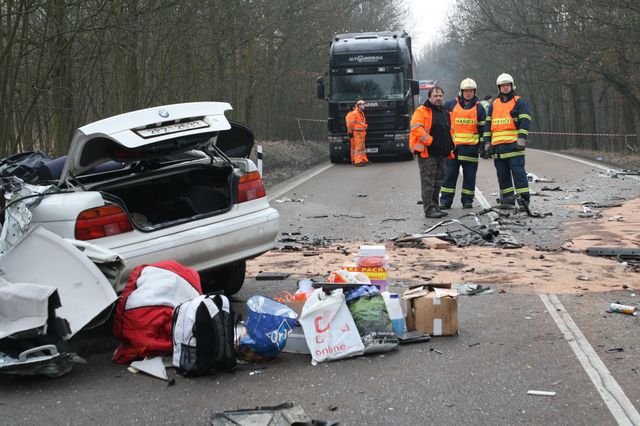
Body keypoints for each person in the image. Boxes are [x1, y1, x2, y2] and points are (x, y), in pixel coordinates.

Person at [482, 73, 532, 208]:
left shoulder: (519, 102)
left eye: (507, 85)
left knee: (519, 175)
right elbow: (488, 125)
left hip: (514, 147)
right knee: (503, 177)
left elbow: (525, 121)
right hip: (498, 149)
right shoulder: (494, 105)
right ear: (499, 87)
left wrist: (521, 139)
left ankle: (524, 202)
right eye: (503, 85)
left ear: (512, 86)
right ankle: (508, 201)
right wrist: (487, 143)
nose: (505, 88)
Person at [439, 78, 486, 209]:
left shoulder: (479, 108)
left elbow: (483, 129)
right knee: (449, 176)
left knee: (470, 178)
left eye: (471, 91)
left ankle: (467, 201)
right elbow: (442, 124)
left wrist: (483, 147)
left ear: (474, 92)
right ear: (461, 91)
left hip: (471, 149)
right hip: (452, 150)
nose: (468, 93)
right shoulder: (450, 105)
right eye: (466, 91)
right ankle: (445, 201)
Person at [409, 85, 455, 218]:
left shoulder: (445, 112)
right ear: (429, 97)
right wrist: (430, 141)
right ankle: (429, 209)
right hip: (427, 153)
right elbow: (416, 128)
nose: (438, 98)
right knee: (428, 182)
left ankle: (435, 206)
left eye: (440, 95)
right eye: (435, 96)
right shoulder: (421, 111)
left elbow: (451, 130)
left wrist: (451, 144)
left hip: (442, 153)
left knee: (438, 181)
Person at [345, 100, 369, 167]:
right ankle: (358, 161)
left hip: (362, 132)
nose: (364, 106)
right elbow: (350, 124)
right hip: (357, 132)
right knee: (358, 148)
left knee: (361, 147)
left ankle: (362, 159)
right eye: (363, 104)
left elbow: (362, 122)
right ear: (359, 105)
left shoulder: (361, 113)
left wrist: (364, 126)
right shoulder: (354, 113)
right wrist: (351, 131)